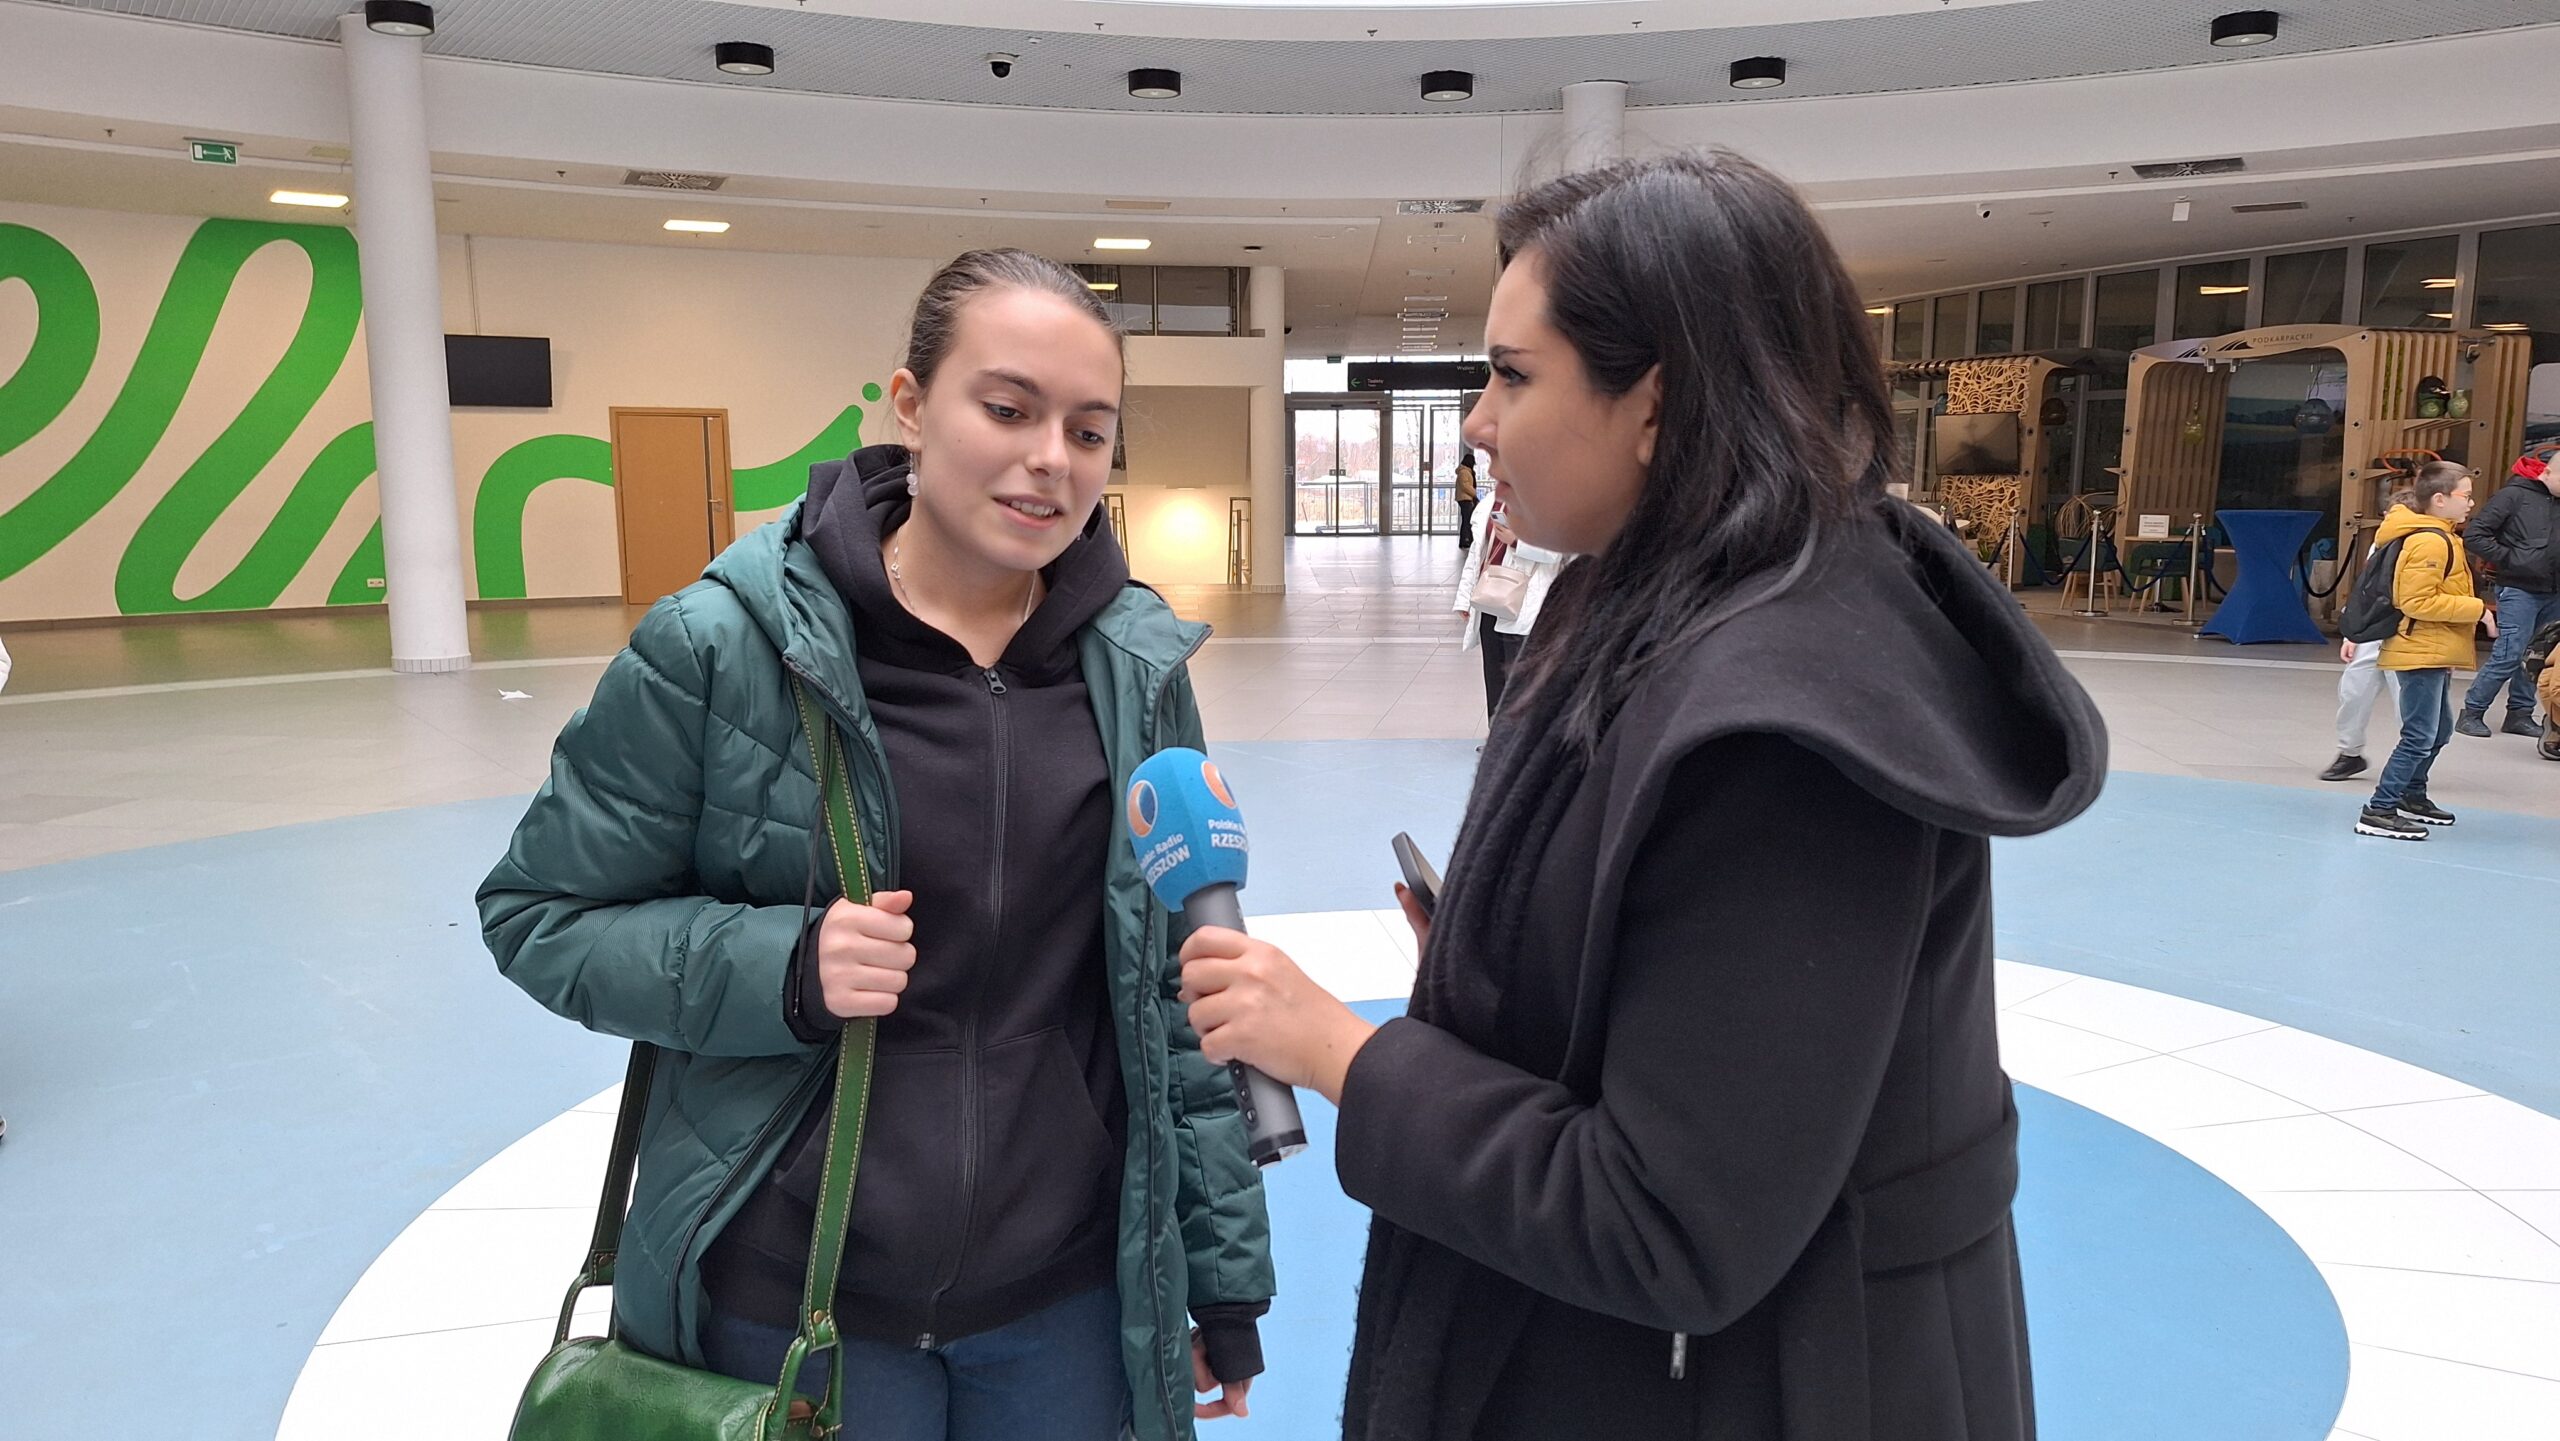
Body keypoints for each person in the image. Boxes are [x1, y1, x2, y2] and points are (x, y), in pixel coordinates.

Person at [1177, 151, 2104, 1441]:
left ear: (1656, 400)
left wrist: (1341, 1052)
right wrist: (1513, 975)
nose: (1477, 425)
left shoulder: (1784, 728)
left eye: (1512, 376)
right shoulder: (1648, 599)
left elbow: (1668, 1223)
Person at [479, 249, 1273, 1441]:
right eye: (1006, 409)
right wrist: (788, 968)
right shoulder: (721, 646)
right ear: (909, 404)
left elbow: (1175, 990)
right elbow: (541, 913)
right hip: (796, 1301)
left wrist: (1219, 1274)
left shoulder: (1134, 668)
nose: (1050, 458)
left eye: (1088, 431)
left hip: (1065, 1304)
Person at [2356, 461, 2489, 841]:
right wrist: (2477, 609)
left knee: (2439, 729)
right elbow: (2416, 601)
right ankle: (2379, 808)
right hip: (2419, 649)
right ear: (2440, 499)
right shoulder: (2429, 540)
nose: (2471, 503)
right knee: (2419, 734)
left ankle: (2411, 794)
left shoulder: (2441, 536)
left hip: (2432, 648)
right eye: (2465, 495)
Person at [2454, 449, 2560, 737]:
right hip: (2518, 588)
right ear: (2546, 472)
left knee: (2539, 655)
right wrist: (2511, 560)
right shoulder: (2513, 495)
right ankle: (2472, 711)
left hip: (2554, 591)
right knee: (2510, 652)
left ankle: (2520, 714)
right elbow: (2475, 536)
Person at [1452, 496, 1567, 719]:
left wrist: (1516, 542)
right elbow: (1478, 553)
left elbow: (1556, 551)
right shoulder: (1491, 502)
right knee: (1494, 674)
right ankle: (1496, 729)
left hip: (1524, 601)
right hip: (1490, 598)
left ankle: (1517, 732)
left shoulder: (1546, 500)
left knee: (1519, 677)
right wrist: (1465, 598)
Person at [1453, 449, 1481, 550]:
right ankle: (1465, 541)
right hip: (1465, 499)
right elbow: (1465, 486)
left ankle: (1466, 540)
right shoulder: (1464, 472)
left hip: (1465, 498)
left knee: (1466, 520)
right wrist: (1474, 493)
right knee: (1467, 521)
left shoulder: (1465, 471)